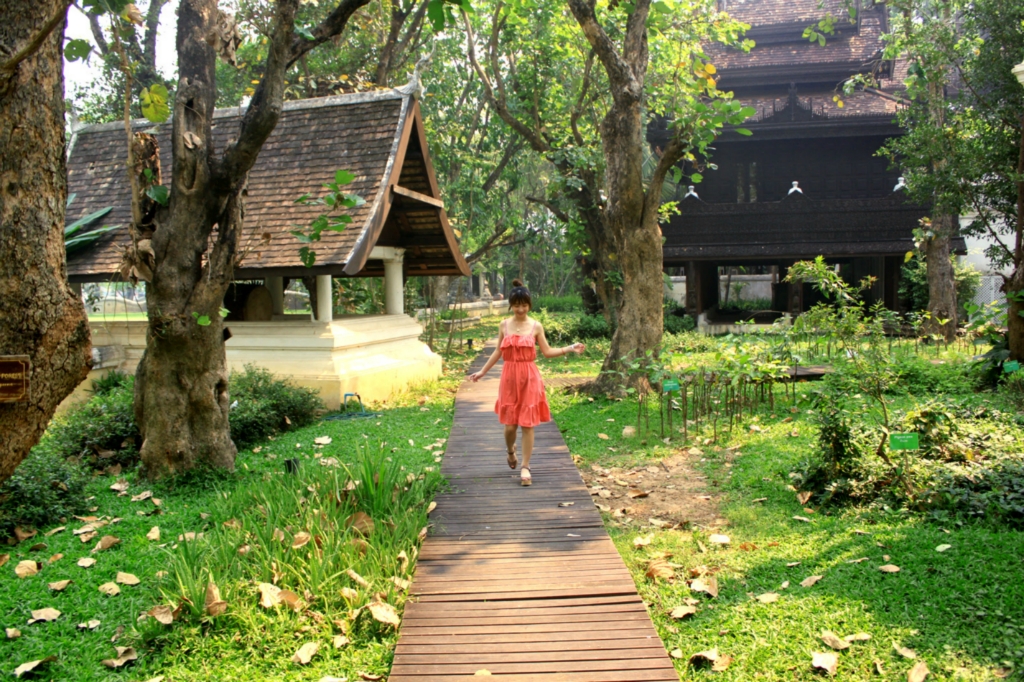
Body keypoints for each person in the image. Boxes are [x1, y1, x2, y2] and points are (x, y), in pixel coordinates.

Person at [468, 279, 585, 486]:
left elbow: (547, 352)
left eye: (524, 305)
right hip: (509, 377)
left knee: (527, 424)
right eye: (516, 305)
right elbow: (498, 352)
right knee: (510, 426)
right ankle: (510, 451)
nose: (520, 309)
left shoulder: (536, 326)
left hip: (530, 377)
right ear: (511, 306)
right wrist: (482, 371)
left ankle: (525, 466)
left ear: (529, 305)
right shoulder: (504, 325)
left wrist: (569, 348)